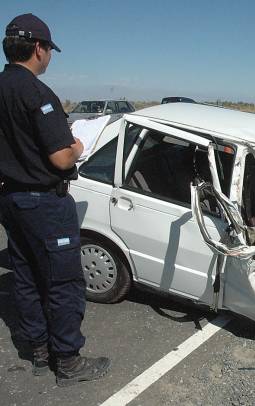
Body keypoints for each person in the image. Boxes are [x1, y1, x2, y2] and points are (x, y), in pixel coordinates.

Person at [0, 13, 110, 387]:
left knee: (26, 275)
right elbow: (62, 158)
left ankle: (38, 350)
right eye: (49, 49)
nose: (48, 57)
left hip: (11, 199)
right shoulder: (37, 93)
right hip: (44, 203)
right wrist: (77, 145)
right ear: (38, 48)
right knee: (64, 282)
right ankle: (68, 361)